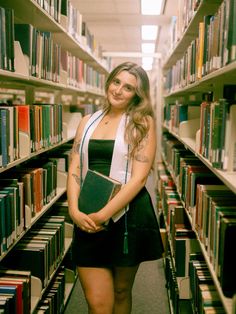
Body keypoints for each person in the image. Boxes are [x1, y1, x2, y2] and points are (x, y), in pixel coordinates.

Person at [67, 61, 164, 314]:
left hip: (126, 216)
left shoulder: (142, 123)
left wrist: (105, 214)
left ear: (138, 95)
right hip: (87, 215)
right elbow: (75, 167)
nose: (119, 90)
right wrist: (74, 210)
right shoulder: (87, 121)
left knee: (121, 292)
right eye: (116, 82)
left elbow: (139, 179)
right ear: (109, 82)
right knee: (98, 304)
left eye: (129, 87)